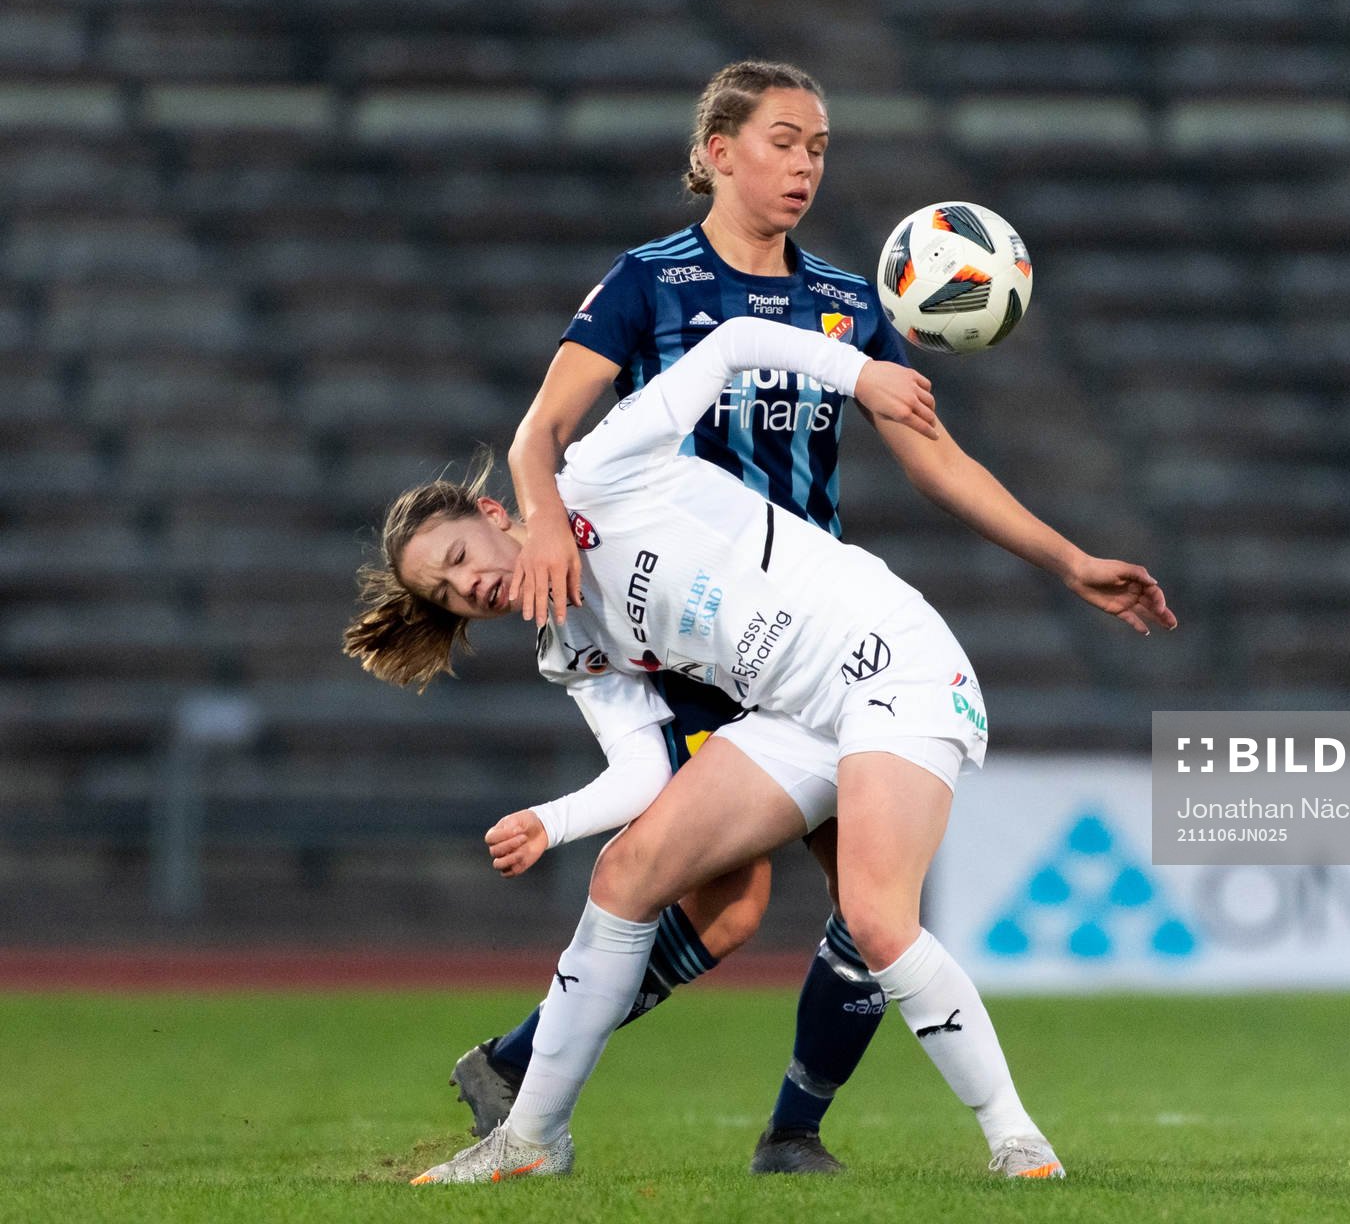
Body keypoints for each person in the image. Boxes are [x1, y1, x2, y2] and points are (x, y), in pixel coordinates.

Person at [455, 59, 1176, 1174]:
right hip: (691, 638)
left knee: (855, 902)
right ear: (716, 151)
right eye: (784, 140)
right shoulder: (650, 282)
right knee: (733, 898)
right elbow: (541, 428)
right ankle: (559, 1084)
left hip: (816, 621)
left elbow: (935, 456)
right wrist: (545, 522)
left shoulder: (844, 300)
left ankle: (771, 1124)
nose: (805, 165)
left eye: (821, 146)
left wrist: (1065, 556)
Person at [347, 317, 1162, 1181]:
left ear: (494, 513)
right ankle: (531, 1140)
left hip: (891, 659)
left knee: (877, 918)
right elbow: (647, 770)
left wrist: (862, 376)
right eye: (451, 592)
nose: (471, 585)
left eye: (461, 557)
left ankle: (1018, 1142)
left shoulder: (599, 470)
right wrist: (554, 822)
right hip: (795, 713)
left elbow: (734, 340)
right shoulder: (566, 645)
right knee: (625, 876)